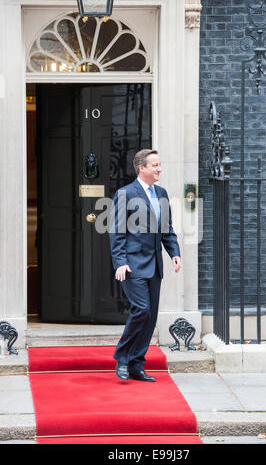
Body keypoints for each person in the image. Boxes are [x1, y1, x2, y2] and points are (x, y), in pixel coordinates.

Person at [109, 149, 181, 381]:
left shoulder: (161, 193)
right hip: (132, 264)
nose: (159, 169)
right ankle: (122, 358)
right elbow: (117, 231)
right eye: (155, 165)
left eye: (160, 165)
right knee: (141, 310)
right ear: (142, 168)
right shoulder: (125, 193)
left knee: (150, 317)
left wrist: (174, 253)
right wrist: (120, 261)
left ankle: (136, 364)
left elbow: (166, 229)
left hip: (155, 265)